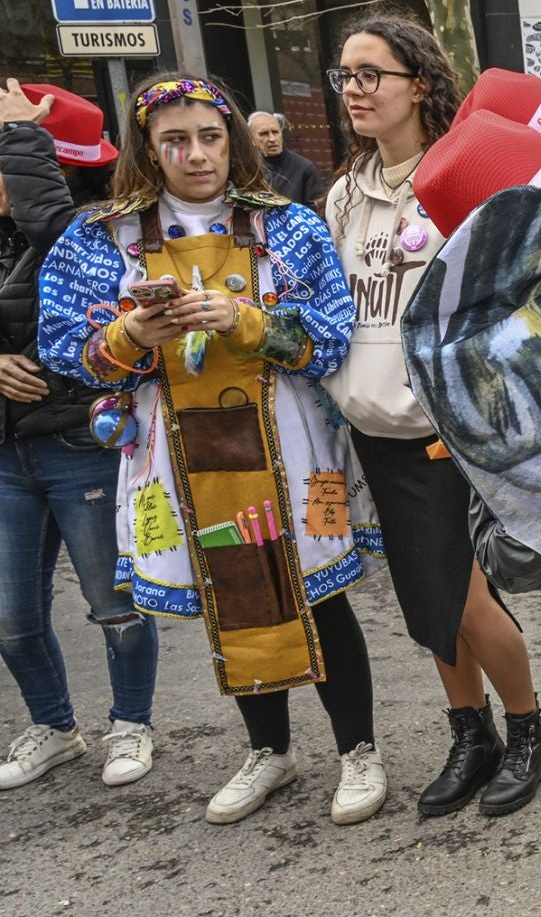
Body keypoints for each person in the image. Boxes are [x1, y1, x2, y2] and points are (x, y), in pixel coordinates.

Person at [38, 73, 385, 825]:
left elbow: (330, 336)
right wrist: (130, 336)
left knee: (315, 589)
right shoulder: (102, 235)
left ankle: (358, 750)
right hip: (177, 443)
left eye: (209, 137)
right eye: (175, 141)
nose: (196, 155)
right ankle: (271, 751)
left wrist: (248, 322)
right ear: (149, 150)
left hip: (284, 434)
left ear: (231, 140)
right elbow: (65, 347)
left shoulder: (288, 225)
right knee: (235, 583)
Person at [323, 12, 541, 819]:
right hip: (370, 429)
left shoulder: (460, 174)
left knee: (462, 596)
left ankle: (527, 733)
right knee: (428, 600)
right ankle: (471, 733)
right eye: (344, 75)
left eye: (370, 74)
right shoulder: (345, 193)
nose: (353, 89)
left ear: (419, 83)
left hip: (445, 431)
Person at [0, 79, 161, 791]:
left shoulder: (85, 227)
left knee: (114, 602)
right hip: (7, 453)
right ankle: (53, 726)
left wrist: (20, 138)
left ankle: (131, 723)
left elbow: (48, 227)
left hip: (77, 441)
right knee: (12, 617)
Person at [247, 111, 325, 210]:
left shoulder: (304, 168)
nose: (272, 139)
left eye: (275, 132)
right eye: (264, 134)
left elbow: (317, 211)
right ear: (251, 139)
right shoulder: (245, 169)